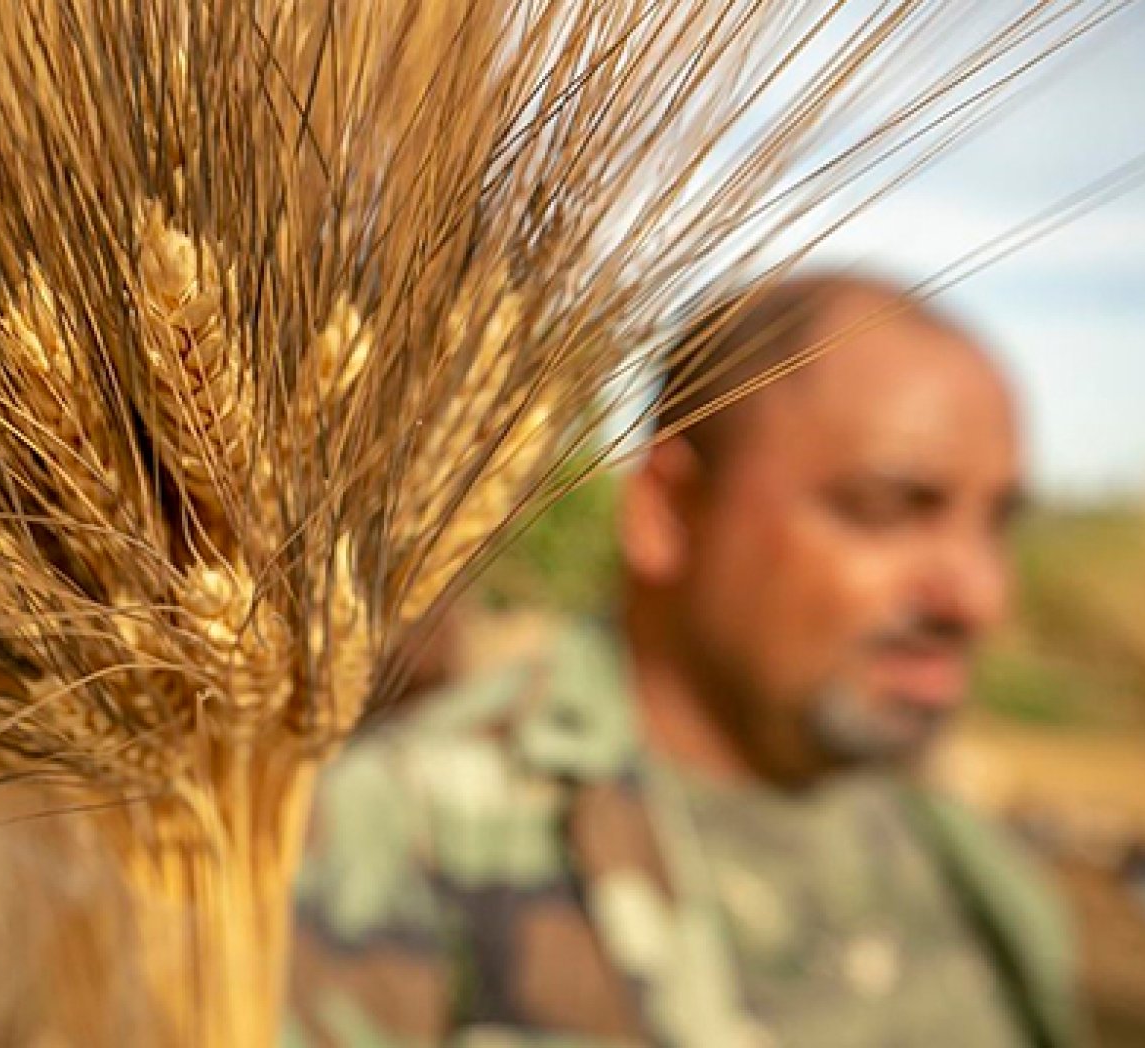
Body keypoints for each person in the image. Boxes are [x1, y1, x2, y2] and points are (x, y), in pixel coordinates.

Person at [287, 274, 1084, 1048]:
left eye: (995, 525)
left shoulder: (972, 867)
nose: (976, 597)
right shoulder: (405, 837)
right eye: (885, 510)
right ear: (666, 509)